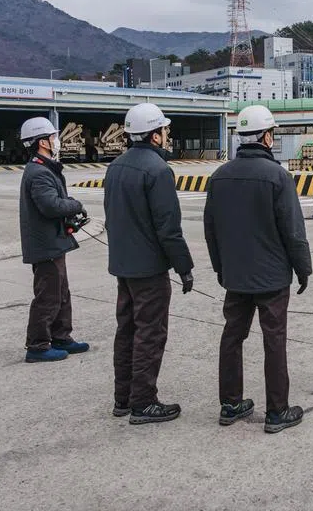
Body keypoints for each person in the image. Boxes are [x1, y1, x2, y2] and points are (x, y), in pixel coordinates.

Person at [204, 104, 311, 434]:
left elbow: (211, 229)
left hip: (235, 275)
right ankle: (277, 411)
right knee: (273, 340)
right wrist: (303, 269)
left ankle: (230, 403)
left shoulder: (219, 176)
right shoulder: (278, 176)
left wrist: (221, 269)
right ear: (267, 137)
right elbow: (293, 231)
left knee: (232, 337)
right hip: (271, 277)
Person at [104, 102, 194, 425]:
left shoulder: (114, 167)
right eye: (164, 130)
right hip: (149, 270)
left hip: (123, 267)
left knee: (126, 330)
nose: (167, 135)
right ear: (154, 135)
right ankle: (143, 401)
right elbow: (169, 228)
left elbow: (111, 217)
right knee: (150, 334)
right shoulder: (158, 171)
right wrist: (184, 267)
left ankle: (123, 398)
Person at [17, 117, 90, 363]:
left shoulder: (44, 168)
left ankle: (61, 337)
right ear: (42, 142)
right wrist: (75, 205)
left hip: (53, 242)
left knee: (61, 292)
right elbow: (50, 205)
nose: (57, 140)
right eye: (53, 137)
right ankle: (37, 346)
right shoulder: (38, 172)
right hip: (45, 245)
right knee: (48, 295)